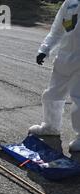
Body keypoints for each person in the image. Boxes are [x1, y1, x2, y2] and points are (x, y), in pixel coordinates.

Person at [30, 0, 80, 152]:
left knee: (78, 99)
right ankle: (50, 127)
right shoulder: (70, 3)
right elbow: (58, 29)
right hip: (64, 58)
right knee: (51, 95)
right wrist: (45, 49)